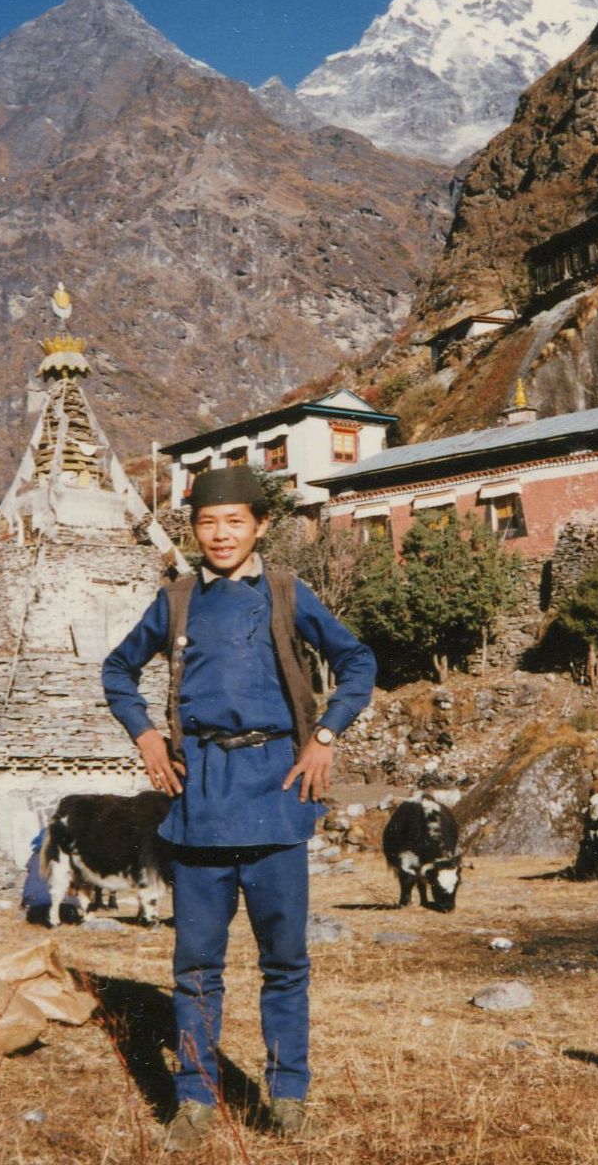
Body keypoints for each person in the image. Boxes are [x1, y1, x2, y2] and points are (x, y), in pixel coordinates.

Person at [102, 465, 376, 1151]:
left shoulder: (287, 593)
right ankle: (194, 1100)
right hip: (199, 798)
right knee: (196, 964)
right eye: (207, 523)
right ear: (193, 531)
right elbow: (117, 671)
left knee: (285, 959)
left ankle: (287, 1095)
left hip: (279, 791)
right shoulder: (177, 602)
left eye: (234, 523)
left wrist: (324, 737)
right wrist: (145, 737)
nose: (220, 535)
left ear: (260, 526)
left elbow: (357, 662)